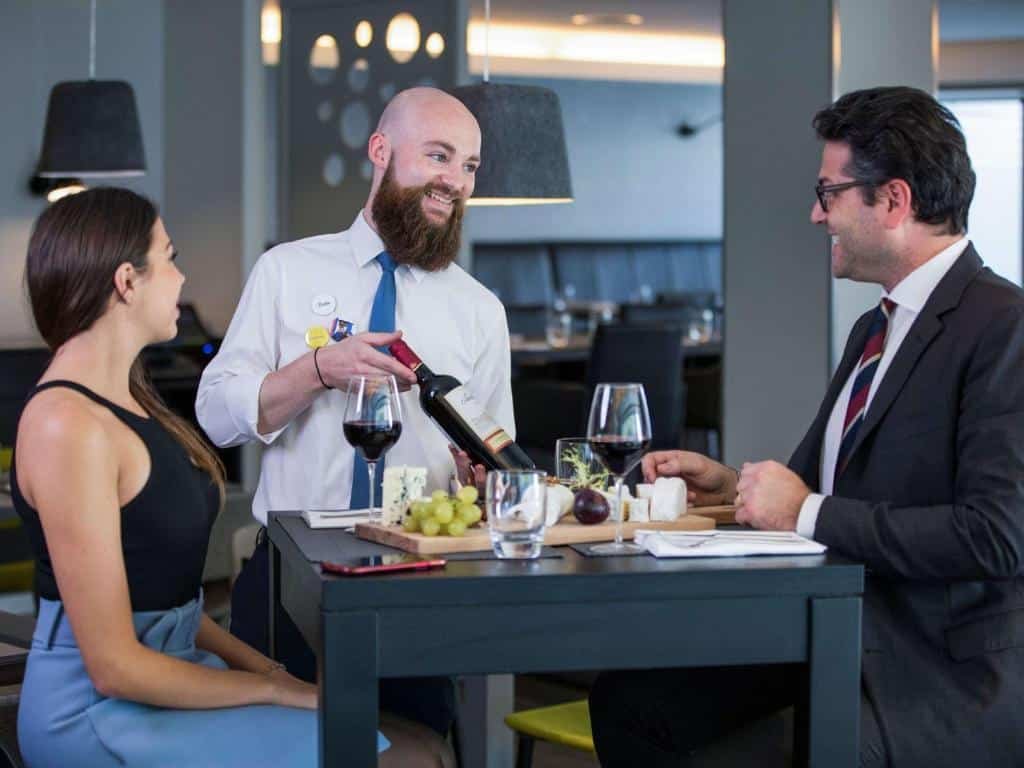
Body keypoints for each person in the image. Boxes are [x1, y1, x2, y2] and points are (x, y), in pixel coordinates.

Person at [588, 86, 1024, 767]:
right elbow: (820, 493)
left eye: (830, 194)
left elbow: (997, 536)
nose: (816, 215)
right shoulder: (874, 328)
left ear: (894, 201)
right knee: (631, 703)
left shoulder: (1004, 325)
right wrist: (733, 486)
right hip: (837, 635)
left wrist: (805, 509)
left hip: (935, 673)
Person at [9, 187, 412, 767]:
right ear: (127, 280)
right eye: (169, 257)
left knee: (399, 746)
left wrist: (270, 670)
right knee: (397, 758)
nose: (180, 276)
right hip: (97, 712)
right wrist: (275, 689)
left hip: (172, 678)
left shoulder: (130, 400)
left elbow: (171, 600)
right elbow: (114, 666)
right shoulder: (65, 427)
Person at [196, 86, 514, 737]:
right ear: (380, 150)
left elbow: (497, 453)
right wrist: (317, 370)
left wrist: (485, 482)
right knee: (270, 752)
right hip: (290, 581)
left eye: (470, 166)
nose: (455, 180)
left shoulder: (481, 310)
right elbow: (214, 417)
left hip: (420, 583)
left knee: (415, 750)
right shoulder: (286, 272)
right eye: (439, 155)